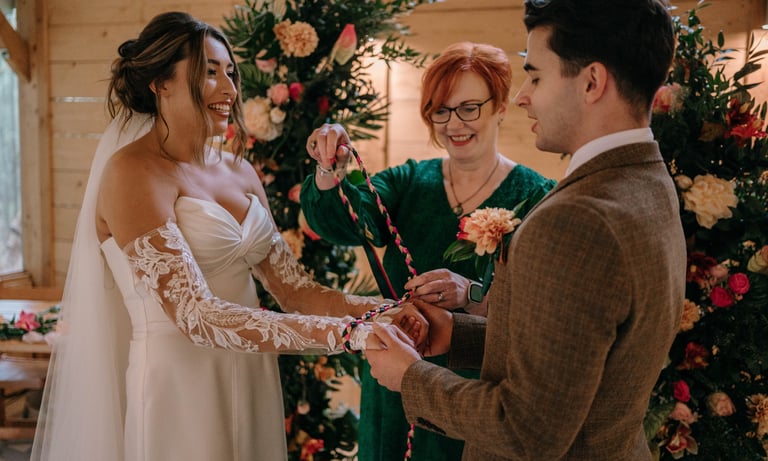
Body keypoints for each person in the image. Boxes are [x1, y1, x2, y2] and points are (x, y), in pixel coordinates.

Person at [30, 12, 425, 461]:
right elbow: (197, 316)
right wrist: (350, 334)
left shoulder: (239, 170)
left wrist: (388, 311)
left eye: (231, 73)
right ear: (161, 83)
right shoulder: (131, 173)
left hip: (253, 376)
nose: (230, 89)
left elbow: (296, 292)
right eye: (209, 72)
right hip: (180, 386)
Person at [365, 1, 687, 460]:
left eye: (535, 76)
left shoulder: (576, 219)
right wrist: (462, 336)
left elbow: (526, 429)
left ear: (592, 82)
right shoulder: (647, 181)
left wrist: (410, 377)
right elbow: (580, 352)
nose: (522, 97)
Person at [302, 42, 555, 461]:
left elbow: (539, 315)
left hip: (475, 396)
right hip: (394, 382)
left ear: (500, 107)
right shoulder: (409, 181)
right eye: (440, 109)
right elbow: (345, 222)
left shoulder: (536, 197)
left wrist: (473, 295)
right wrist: (329, 169)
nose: (454, 123)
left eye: (469, 107)